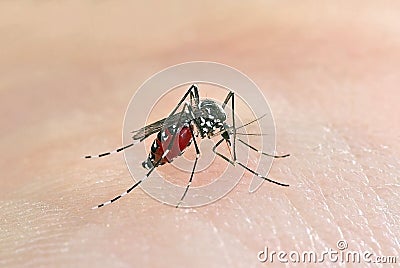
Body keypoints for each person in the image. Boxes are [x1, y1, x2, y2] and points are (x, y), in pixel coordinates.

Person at [1, 1, 398, 266]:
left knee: (206, 109)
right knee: (194, 110)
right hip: (174, 132)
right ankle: (145, 161)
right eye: (226, 133)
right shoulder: (203, 118)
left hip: (185, 125)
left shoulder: (218, 115)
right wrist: (174, 148)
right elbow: (194, 118)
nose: (224, 135)